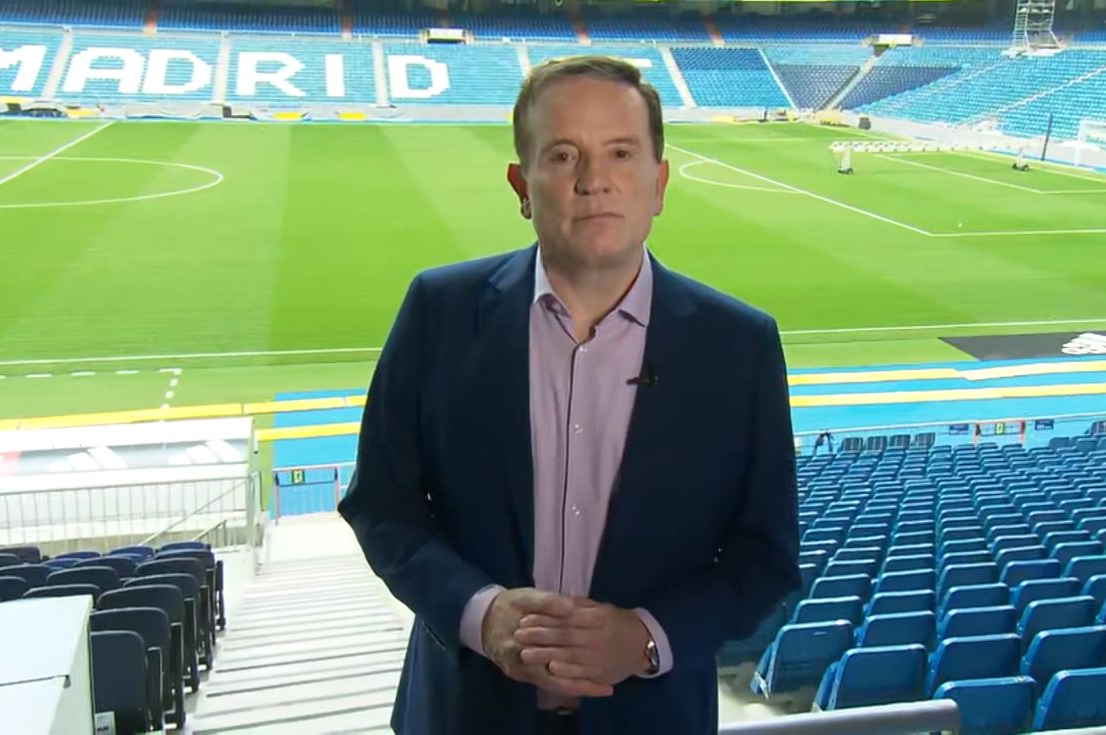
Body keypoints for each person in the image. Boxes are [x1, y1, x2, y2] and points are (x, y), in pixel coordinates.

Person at [339, 56, 799, 735]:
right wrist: (481, 614)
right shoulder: (439, 311)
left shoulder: (740, 346)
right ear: (521, 186)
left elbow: (765, 559)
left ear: (659, 182)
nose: (594, 180)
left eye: (621, 152)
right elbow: (382, 505)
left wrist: (647, 637)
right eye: (562, 155)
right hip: (464, 715)